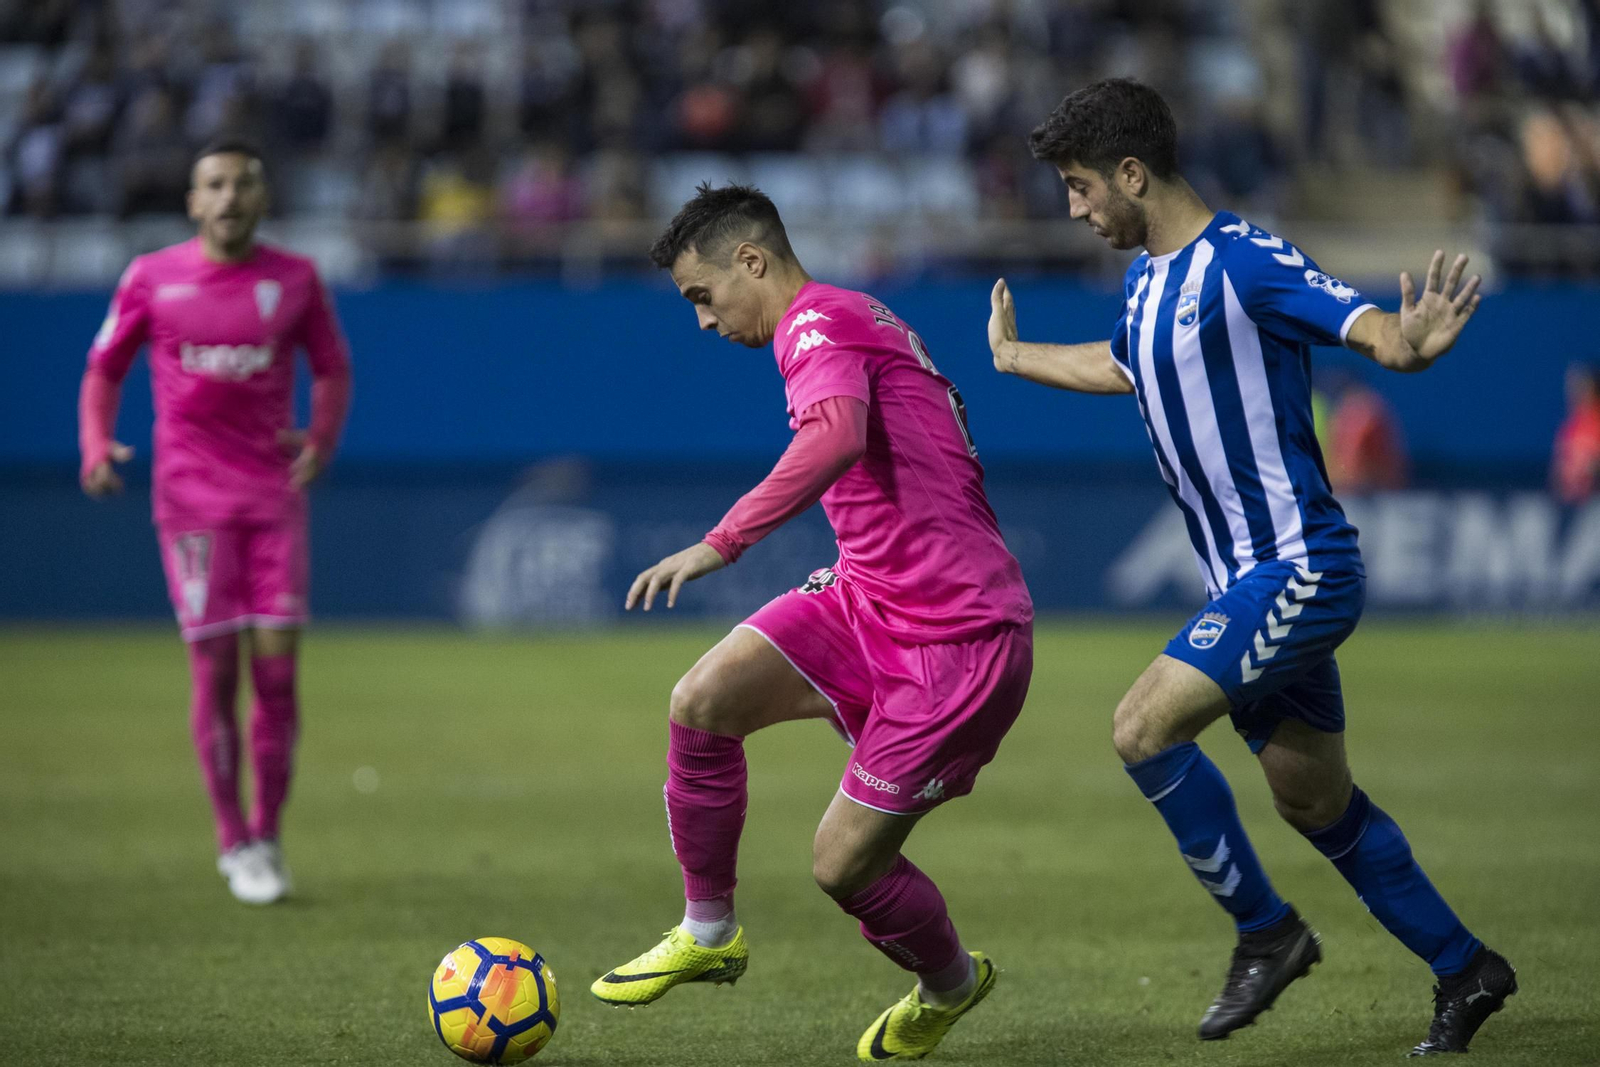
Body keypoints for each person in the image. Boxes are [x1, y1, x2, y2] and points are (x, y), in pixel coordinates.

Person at [990, 80, 1514, 1056]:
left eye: (1079, 186)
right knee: (1313, 800)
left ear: (1132, 174)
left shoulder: (1245, 261)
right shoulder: (1146, 283)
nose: (1073, 208)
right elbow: (1122, 364)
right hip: (1243, 583)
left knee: (1141, 726)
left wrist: (1407, 344)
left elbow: (1367, 325)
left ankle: (1267, 933)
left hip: (1298, 568)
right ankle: (1465, 967)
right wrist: (1016, 356)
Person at [592, 183, 1033, 1062]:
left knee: (843, 866)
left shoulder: (818, 325)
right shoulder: (840, 318)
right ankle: (708, 931)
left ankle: (951, 983)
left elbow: (834, 438)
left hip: (957, 636)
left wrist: (720, 542)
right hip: (868, 597)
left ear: (751, 260)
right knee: (702, 701)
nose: (704, 322)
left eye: (703, 295)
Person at [77, 139, 352, 905]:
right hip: (191, 502)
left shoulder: (295, 279)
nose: (230, 196)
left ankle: (266, 835)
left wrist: (322, 438)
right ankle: (233, 838)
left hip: (271, 500)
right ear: (194, 201)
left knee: (277, 675)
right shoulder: (151, 276)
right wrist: (96, 442)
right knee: (216, 671)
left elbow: (332, 366)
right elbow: (104, 367)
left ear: (263, 199)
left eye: (244, 184)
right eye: (215, 184)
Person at [1551, 362, 1600, 503]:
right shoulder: (1569, 428)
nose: (1575, 393)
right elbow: (1557, 472)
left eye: (1581, 386)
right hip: (1573, 502)